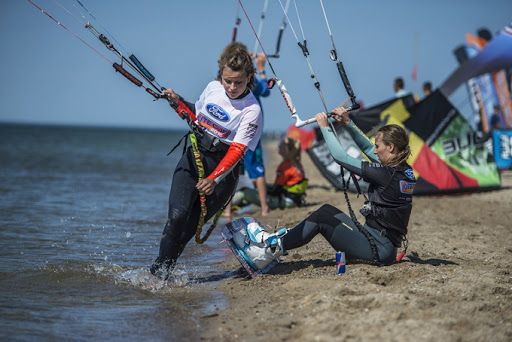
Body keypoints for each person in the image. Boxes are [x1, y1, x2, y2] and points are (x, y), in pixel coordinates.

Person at [150, 42, 263, 279]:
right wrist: (177, 100)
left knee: (187, 231)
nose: (232, 87)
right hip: (193, 160)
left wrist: (213, 179)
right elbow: (197, 117)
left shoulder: (251, 110)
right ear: (220, 75)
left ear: (249, 77)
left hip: (221, 177)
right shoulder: (213, 88)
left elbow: (238, 150)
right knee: (176, 217)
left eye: (238, 82)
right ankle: (158, 274)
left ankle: (161, 275)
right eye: (227, 81)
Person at [280, 107, 416, 265]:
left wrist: (324, 126)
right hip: (380, 243)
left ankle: (274, 248)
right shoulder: (405, 171)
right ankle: (280, 241)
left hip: (377, 249)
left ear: (390, 147)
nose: (376, 151)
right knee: (327, 211)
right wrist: (347, 122)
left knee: (322, 217)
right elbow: (367, 148)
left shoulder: (386, 174)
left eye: (378, 146)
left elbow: (340, 157)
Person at [232, 136, 308, 210]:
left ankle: (225, 207)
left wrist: (261, 187)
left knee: (245, 192)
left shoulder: (286, 167)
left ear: (286, 150)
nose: (278, 148)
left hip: (286, 201)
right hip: (296, 200)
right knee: (256, 192)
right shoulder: (297, 164)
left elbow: (275, 190)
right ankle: (234, 208)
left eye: (280, 147)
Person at [243, 52, 271, 216]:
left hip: (240, 132)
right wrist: (261, 68)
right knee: (257, 169)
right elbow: (266, 90)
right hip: (251, 133)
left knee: (231, 171)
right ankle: (264, 207)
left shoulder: (237, 82)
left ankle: (227, 212)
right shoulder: (250, 83)